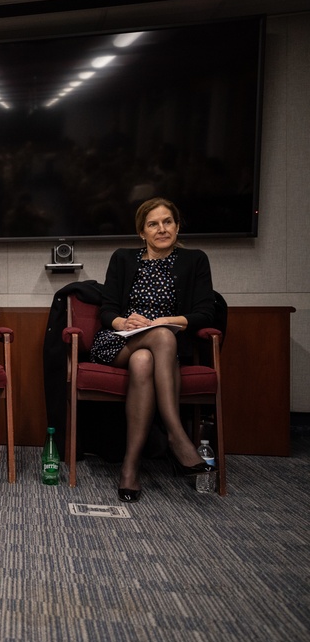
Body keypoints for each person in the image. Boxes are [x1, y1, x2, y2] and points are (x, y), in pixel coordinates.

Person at [91, 197, 217, 503]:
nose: (162, 229)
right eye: (153, 224)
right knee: (157, 339)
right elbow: (107, 310)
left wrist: (165, 321)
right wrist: (127, 321)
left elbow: (205, 313)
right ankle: (176, 435)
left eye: (167, 222)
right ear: (142, 233)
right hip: (120, 340)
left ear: (176, 226)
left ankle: (130, 469)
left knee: (145, 359)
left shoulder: (195, 260)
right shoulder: (122, 258)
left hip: (162, 347)